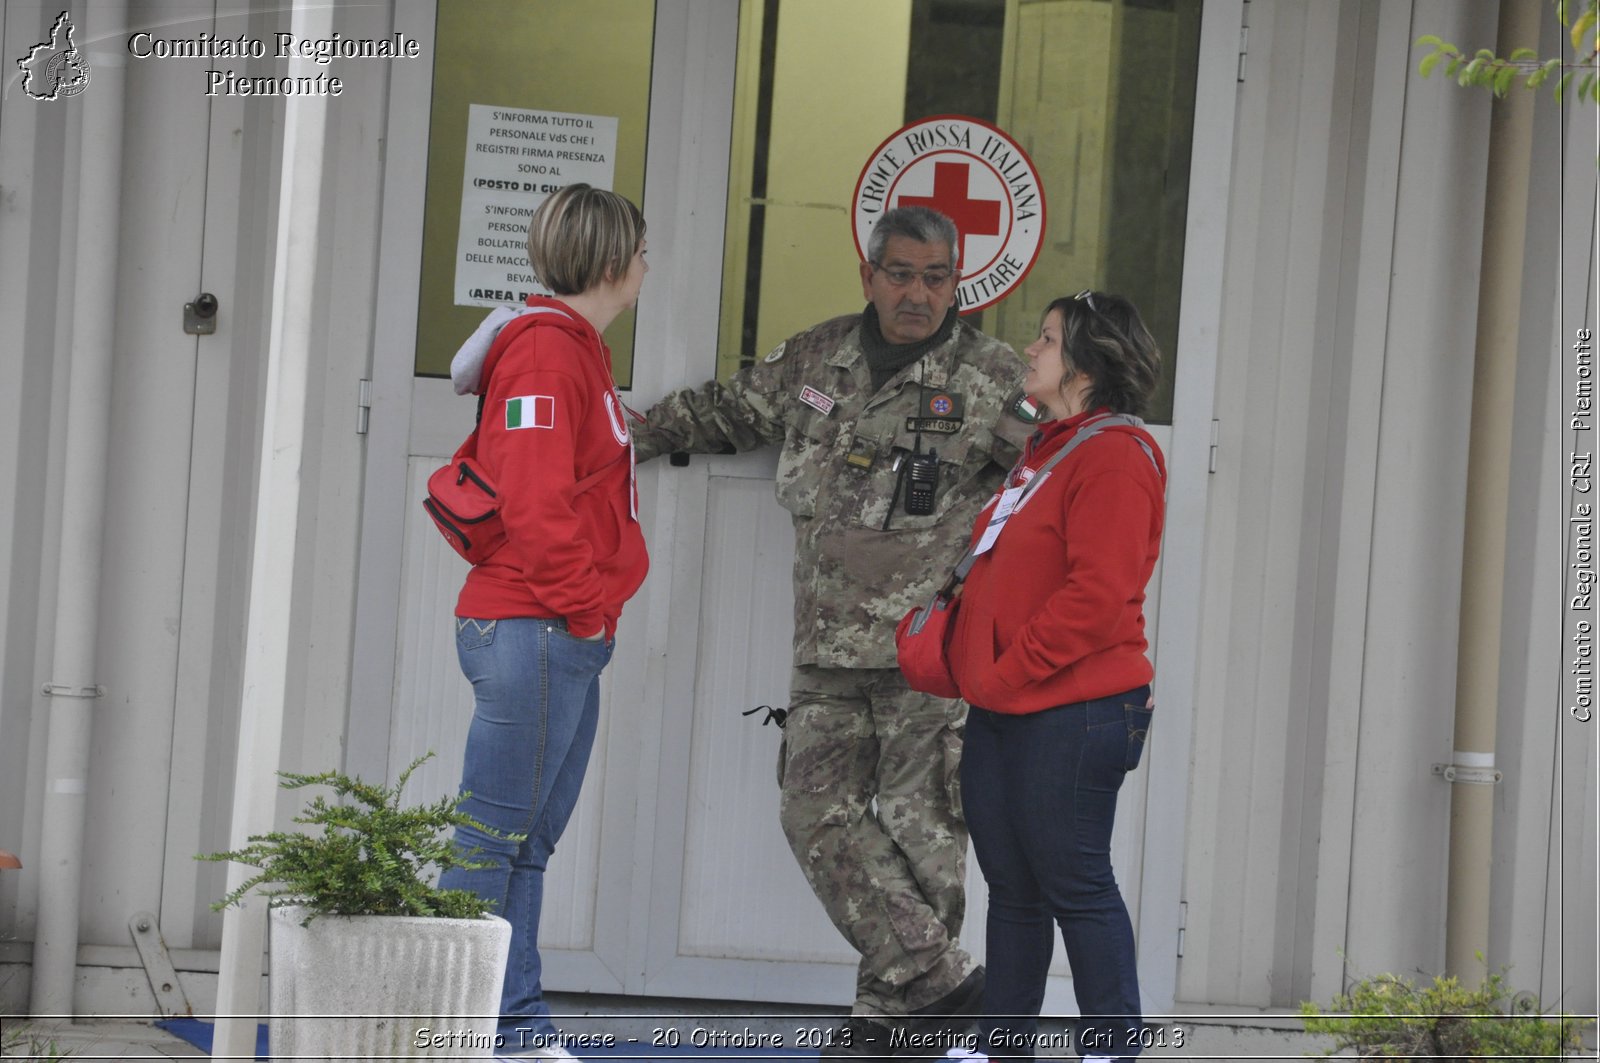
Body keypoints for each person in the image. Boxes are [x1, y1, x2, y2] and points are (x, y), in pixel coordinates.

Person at [631, 206, 1034, 1052]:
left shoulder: (994, 376)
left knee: (923, 830)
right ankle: (940, 984)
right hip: (827, 648)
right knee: (814, 811)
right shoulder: (817, 359)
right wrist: (626, 434)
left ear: (956, 284)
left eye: (935, 278)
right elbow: (728, 410)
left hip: (931, 651)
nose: (917, 293)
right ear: (869, 274)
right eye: (901, 274)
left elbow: (1052, 481)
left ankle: (889, 1025)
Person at [438, 183, 650, 1062]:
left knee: (525, 842)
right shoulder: (545, 354)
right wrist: (587, 606)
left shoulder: (571, 350)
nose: (646, 269)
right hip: (538, 626)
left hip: (555, 630)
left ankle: (513, 1028)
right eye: (639, 254)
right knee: (492, 842)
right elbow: (534, 499)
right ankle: (465, 1030)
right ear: (611, 264)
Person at [942, 290, 1165, 1063]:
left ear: (1086, 363)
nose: (1028, 350)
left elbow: (1097, 596)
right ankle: (1001, 1046)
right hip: (1011, 700)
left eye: (1045, 339)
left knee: (1075, 880)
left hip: (1074, 707)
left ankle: (1111, 1048)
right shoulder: (1047, 447)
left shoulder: (1115, 454)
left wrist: (1008, 672)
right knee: (1014, 884)